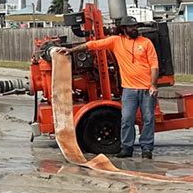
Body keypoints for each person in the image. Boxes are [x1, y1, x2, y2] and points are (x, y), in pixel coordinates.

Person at [58, 16, 159, 159]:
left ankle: (147, 149)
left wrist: (153, 85)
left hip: (147, 89)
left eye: (135, 26)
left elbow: (154, 65)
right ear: (124, 29)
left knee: (148, 119)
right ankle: (126, 148)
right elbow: (93, 45)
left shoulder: (146, 43)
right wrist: (71, 51)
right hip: (129, 89)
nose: (134, 28)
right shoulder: (116, 41)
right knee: (127, 119)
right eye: (131, 27)